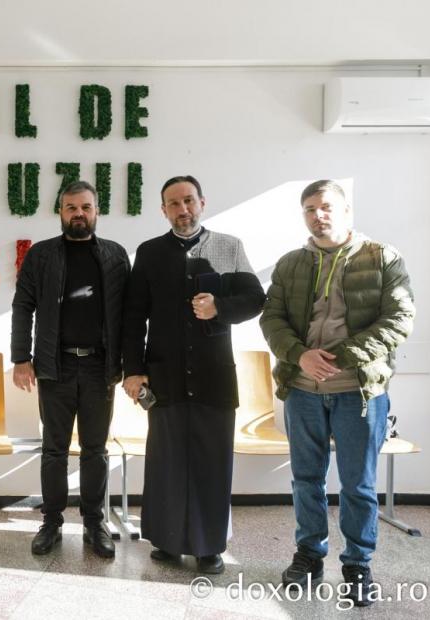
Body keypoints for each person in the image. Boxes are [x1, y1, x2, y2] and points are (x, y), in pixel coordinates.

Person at [260, 180, 415, 607]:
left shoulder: (382, 258)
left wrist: (339, 358)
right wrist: (300, 356)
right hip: (302, 390)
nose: (318, 215)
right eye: (309, 209)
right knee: (306, 479)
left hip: (359, 392)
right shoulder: (290, 263)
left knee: (357, 484)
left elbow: (399, 318)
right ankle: (309, 555)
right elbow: (272, 318)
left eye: (326, 207)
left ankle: (358, 565)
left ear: (346, 211)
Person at [122, 175, 264, 574]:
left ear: (202, 202)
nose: (182, 209)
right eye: (173, 203)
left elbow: (256, 299)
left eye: (188, 200)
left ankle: (208, 547)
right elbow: (133, 317)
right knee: (166, 462)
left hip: (213, 378)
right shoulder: (149, 252)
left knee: (211, 463)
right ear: (163, 210)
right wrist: (133, 371)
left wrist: (220, 307)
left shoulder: (229, 247)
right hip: (163, 376)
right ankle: (166, 542)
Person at [11, 180, 130, 559]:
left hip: (99, 367)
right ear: (60, 212)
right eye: (71, 207)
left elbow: (129, 315)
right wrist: (20, 358)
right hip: (55, 365)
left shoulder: (115, 255)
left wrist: (131, 365)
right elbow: (22, 306)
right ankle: (51, 522)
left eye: (85, 207)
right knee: (54, 450)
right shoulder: (41, 255)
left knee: (95, 450)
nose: (79, 214)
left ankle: (95, 523)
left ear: (96, 211)